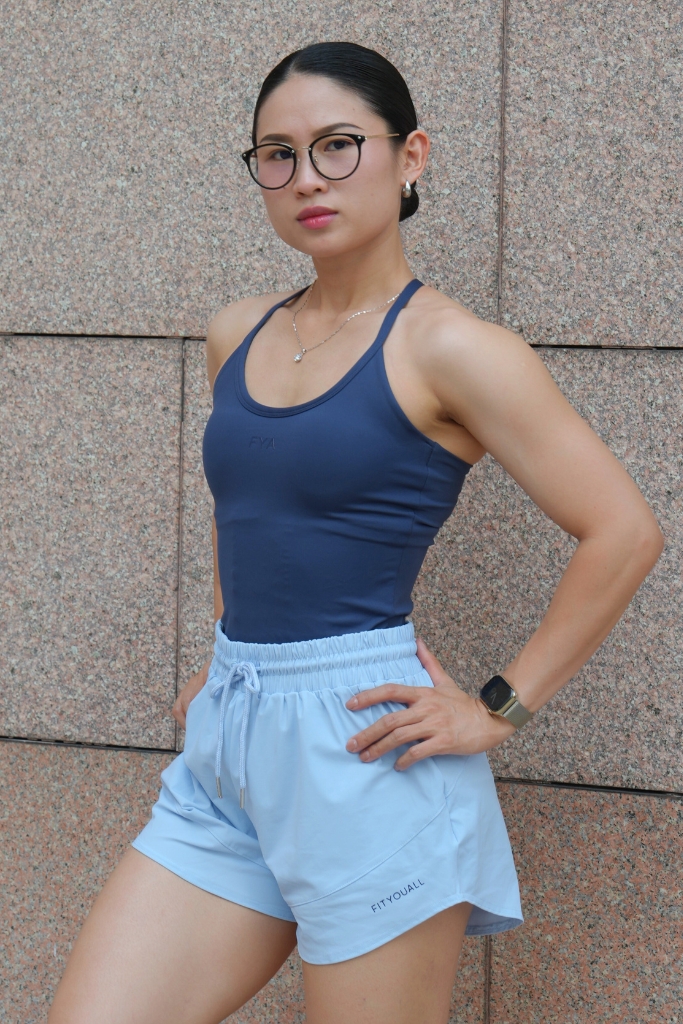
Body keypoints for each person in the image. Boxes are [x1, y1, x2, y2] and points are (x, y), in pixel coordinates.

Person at [49, 41, 663, 1024]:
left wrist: (497, 709)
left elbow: (621, 532)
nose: (306, 178)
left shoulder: (453, 348)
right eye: (278, 155)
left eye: (338, 145)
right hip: (229, 749)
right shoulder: (237, 332)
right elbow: (248, 508)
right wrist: (225, 656)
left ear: (409, 155)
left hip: (366, 750)